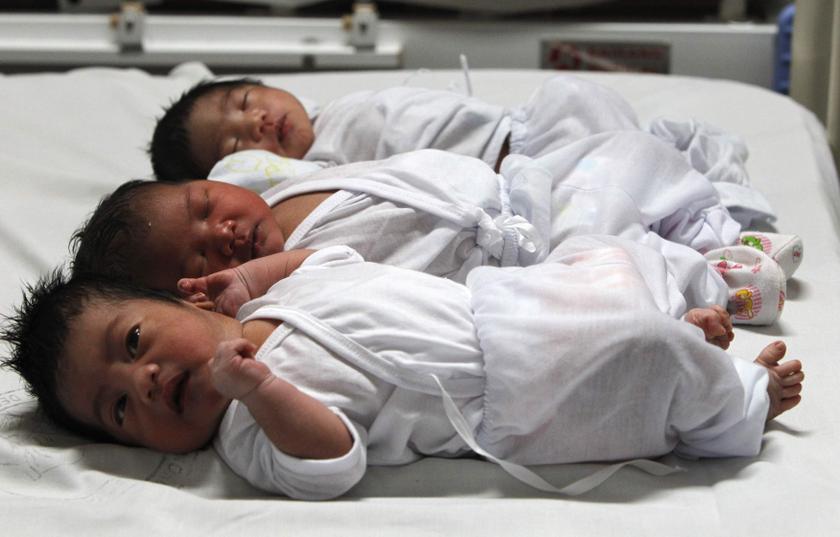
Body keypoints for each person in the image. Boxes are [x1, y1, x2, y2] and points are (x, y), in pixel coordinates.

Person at [1, 239, 804, 500]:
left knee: (604, 253)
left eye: (134, 342)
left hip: (499, 301)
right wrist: (262, 387)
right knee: (633, 353)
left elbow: (331, 253)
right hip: (509, 388)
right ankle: (741, 399)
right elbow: (332, 462)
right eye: (117, 409)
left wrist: (251, 277)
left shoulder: (279, 295)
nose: (140, 381)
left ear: (184, 298)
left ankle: (684, 302)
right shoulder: (247, 430)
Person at [74, 139, 792, 325]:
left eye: (205, 205)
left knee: (628, 156)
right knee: (614, 262)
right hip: (521, 255)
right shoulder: (276, 289)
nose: (224, 231)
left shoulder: (285, 182)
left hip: (515, 190)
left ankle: (715, 222)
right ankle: (717, 283)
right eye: (200, 254)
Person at [149, 74, 775, 228]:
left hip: (532, 122)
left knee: (593, 108)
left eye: (245, 99)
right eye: (237, 141)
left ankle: (693, 183)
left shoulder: (333, 107)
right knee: (613, 179)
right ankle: (714, 214)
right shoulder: (319, 170)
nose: (257, 120)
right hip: (524, 164)